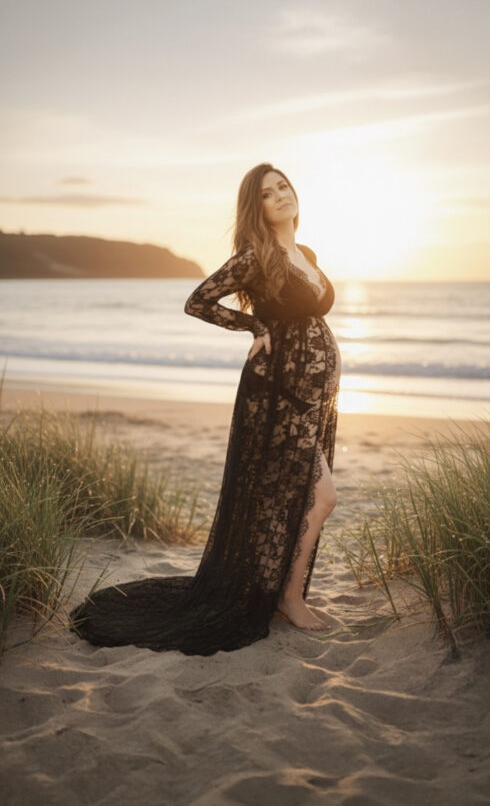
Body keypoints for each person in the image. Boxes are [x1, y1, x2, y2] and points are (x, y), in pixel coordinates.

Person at [69, 163, 341, 655]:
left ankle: (285, 589)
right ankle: (288, 595)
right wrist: (254, 328)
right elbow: (199, 302)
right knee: (321, 497)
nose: (280, 196)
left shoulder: (306, 253)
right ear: (254, 208)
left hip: (313, 394)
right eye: (266, 194)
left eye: (284, 187)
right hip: (278, 391)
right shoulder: (255, 256)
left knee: (300, 495)